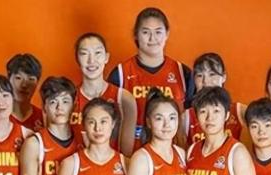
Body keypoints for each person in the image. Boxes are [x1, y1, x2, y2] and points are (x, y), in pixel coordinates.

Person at [108, 7, 194, 153]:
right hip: (131, 155)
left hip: (173, 157)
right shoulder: (120, 73)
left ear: (167, 34)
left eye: (158, 32)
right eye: (146, 32)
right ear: (136, 35)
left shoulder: (183, 73)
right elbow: (109, 120)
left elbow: (193, 121)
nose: (152, 38)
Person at [70, 32, 137, 156]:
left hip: (114, 167)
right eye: (84, 54)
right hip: (75, 165)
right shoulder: (68, 99)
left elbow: (127, 153)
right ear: (77, 59)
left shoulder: (124, 98)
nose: (91, 60)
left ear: (106, 57)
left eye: (97, 53)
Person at [182, 53, 242, 148]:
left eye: (212, 74)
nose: (206, 81)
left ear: (224, 77)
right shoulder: (186, 117)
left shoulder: (239, 111)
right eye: (200, 75)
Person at [8, 53, 44, 131]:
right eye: (18, 78)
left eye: (31, 79)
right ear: (8, 79)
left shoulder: (44, 118)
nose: (24, 85)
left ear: (37, 83)